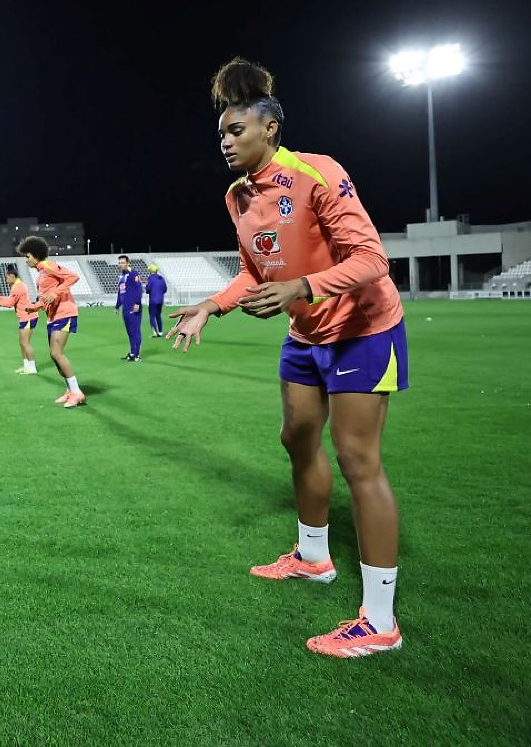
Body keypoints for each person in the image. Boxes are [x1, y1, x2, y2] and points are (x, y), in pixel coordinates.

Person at [167, 57, 407, 658]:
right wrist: (210, 307)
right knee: (297, 438)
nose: (225, 142)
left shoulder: (317, 173)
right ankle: (313, 557)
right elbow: (253, 271)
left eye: (236, 131)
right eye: (221, 134)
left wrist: (301, 286)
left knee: (358, 460)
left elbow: (372, 260)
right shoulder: (236, 196)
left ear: (269, 128)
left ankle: (380, 622)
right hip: (306, 336)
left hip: (362, 328)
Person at [19, 236, 85, 407]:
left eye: (27, 256)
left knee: (57, 353)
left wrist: (56, 292)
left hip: (65, 312)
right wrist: (36, 307)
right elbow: (46, 297)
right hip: (52, 316)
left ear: (35, 255)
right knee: (54, 355)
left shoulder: (48, 265)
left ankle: (77, 392)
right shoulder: (40, 273)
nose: (26, 259)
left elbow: (73, 277)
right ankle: (69, 390)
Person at [0, 264, 39, 374]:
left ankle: (32, 368)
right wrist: (0, 299)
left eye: (6, 277)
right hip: (27, 316)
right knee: (22, 342)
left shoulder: (18, 287)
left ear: (12, 276)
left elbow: (9, 304)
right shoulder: (18, 285)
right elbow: (11, 300)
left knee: (25, 343)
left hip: (27, 317)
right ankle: (26, 366)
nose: (5, 280)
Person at [114, 255, 143, 361]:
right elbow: (120, 293)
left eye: (122, 263)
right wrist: (117, 306)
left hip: (133, 306)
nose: (120, 265)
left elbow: (139, 289)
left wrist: (137, 303)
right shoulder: (121, 277)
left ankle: (137, 354)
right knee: (130, 331)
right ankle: (132, 353)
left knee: (135, 330)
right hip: (125, 308)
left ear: (127, 263)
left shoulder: (134, 274)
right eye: (119, 263)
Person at [145, 264, 168, 338]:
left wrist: (147, 287)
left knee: (152, 316)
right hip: (160, 300)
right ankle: (160, 332)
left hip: (153, 300)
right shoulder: (161, 278)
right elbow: (165, 289)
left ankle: (155, 332)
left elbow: (148, 289)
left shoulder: (150, 278)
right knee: (158, 315)